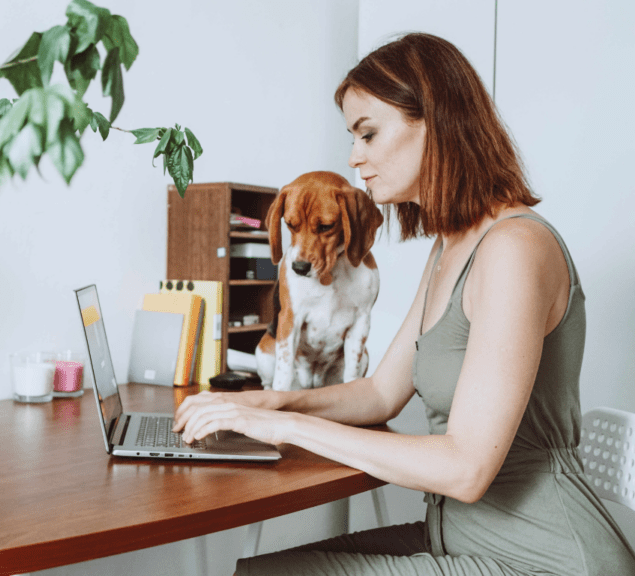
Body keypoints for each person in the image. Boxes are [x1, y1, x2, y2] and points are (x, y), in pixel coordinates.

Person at [173, 33, 635, 576]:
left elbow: (465, 468)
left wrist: (288, 429)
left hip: (547, 559)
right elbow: (379, 394)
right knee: (255, 570)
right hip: (459, 536)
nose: (354, 157)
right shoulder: (449, 247)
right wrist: (267, 405)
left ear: (435, 120)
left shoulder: (514, 249)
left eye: (368, 133)